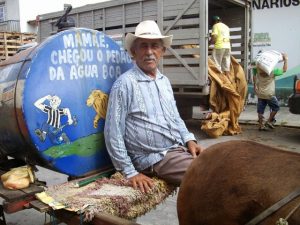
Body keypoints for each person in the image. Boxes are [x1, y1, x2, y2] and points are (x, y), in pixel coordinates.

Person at [104, 20, 203, 193]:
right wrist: (130, 172)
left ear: (162, 51)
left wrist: (189, 139)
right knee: (210, 173)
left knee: (221, 159)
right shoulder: (125, 84)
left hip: (177, 150)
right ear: (133, 52)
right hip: (154, 158)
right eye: (143, 46)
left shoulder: (164, 81)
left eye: (154, 46)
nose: (149, 52)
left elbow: (175, 117)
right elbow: (113, 132)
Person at [253, 53, 288, 131]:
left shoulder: (258, 71)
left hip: (260, 94)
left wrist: (255, 86)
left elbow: (254, 74)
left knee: (260, 110)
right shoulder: (272, 72)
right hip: (269, 95)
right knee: (276, 108)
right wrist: (285, 60)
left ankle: (261, 125)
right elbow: (284, 70)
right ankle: (269, 121)